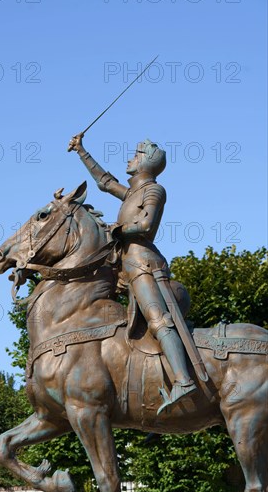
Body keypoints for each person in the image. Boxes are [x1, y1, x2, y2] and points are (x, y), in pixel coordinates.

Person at [68, 134, 196, 414]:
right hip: (124, 266)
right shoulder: (132, 194)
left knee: (157, 320)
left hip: (143, 264)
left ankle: (184, 380)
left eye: (135, 156)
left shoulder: (154, 190)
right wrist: (81, 151)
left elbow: (146, 225)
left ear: (145, 163)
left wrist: (117, 230)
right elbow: (104, 182)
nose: (129, 159)